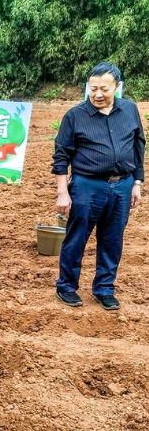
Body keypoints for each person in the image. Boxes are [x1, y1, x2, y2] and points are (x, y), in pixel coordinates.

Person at [53, 62, 145, 310]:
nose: (98, 94)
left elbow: (138, 147)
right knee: (77, 237)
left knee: (113, 239)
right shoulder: (75, 116)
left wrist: (137, 181)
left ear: (117, 86)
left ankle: (105, 288)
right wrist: (63, 192)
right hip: (86, 186)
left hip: (122, 186)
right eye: (93, 88)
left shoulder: (130, 110)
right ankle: (67, 287)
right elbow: (61, 156)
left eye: (104, 88)